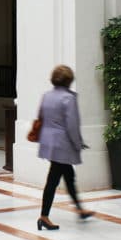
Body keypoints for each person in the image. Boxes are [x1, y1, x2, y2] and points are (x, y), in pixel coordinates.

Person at [36, 64, 94, 230]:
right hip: (63, 144)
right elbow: (72, 125)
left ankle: (80, 209)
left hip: (49, 143)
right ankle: (44, 217)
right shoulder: (68, 98)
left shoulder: (46, 96)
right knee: (54, 180)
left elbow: (42, 118)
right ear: (69, 81)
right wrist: (78, 143)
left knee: (68, 176)